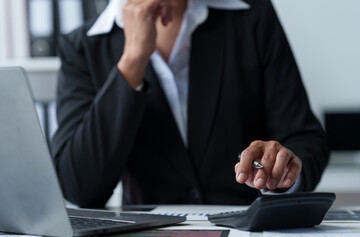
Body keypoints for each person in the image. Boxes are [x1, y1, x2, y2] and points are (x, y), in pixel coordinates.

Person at [51, 0, 329, 208]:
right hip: (145, 234)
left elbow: (304, 138)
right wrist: (133, 59)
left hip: (247, 226)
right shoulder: (83, 46)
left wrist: (281, 173)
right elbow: (79, 187)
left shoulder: (252, 16)